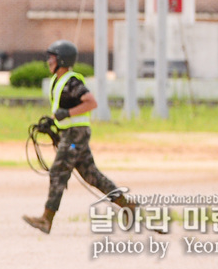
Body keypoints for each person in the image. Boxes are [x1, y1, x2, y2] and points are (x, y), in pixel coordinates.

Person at [22, 39, 137, 234]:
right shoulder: (58, 81)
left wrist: (67, 114)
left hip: (76, 135)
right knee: (92, 175)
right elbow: (64, 108)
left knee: (58, 171)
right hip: (71, 133)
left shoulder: (72, 81)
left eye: (52, 58)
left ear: (62, 60)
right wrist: (54, 122)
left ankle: (46, 219)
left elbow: (91, 103)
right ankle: (128, 206)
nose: (49, 62)